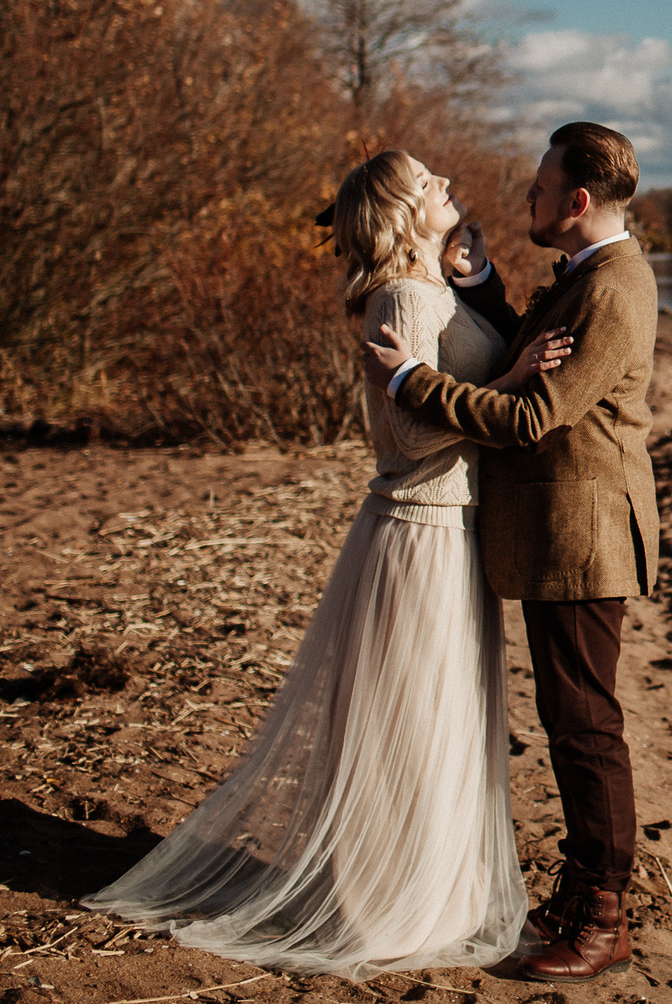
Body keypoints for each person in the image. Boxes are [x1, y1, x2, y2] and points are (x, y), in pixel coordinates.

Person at [88, 151, 572, 978]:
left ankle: (429, 894)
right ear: (401, 214)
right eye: (425, 182)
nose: (443, 182)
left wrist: (481, 291)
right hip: (419, 532)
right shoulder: (403, 297)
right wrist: (513, 382)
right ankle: (393, 902)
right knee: (410, 724)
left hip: (450, 529)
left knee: (438, 720)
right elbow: (412, 435)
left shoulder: (433, 289)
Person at [361, 120, 661, 984]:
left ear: (577, 199)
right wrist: (483, 284)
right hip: (561, 530)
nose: (527, 196)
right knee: (572, 722)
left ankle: (602, 918)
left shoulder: (614, 288)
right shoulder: (590, 274)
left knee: (587, 727)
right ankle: (579, 900)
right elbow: (529, 356)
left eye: (539, 187)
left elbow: (533, 414)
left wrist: (412, 382)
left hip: (584, 535)